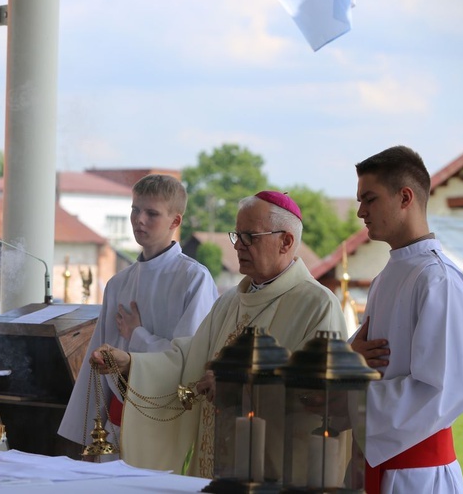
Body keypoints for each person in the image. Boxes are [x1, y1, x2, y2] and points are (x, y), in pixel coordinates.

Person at [89, 191, 348, 477]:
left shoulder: (316, 304)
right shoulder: (231, 302)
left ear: (285, 241)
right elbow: (188, 361)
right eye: (236, 236)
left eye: (250, 237)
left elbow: (322, 395)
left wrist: (243, 387)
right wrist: (131, 363)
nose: (238, 246)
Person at [349, 146, 463, 493]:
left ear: (405, 197)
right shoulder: (387, 275)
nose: (360, 212)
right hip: (380, 464)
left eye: (369, 199)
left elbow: (443, 389)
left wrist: (348, 399)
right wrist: (348, 362)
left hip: (418, 475)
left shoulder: (438, 279)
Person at [58, 174, 219, 448]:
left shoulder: (194, 279)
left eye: (151, 213)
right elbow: (97, 358)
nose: (139, 220)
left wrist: (138, 335)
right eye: (135, 210)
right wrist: (86, 429)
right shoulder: (119, 283)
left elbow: (191, 361)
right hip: (116, 426)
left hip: (167, 422)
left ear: (175, 221)